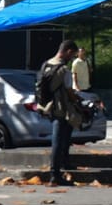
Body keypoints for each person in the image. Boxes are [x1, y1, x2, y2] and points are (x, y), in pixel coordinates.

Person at [36, 39, 84, 187]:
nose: (72, 58)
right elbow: (69, 91)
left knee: (61, 137)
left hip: (47, 106)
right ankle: (55, 174)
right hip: (61, 108)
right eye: (72, 54)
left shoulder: (46, 65)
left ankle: (63, 165)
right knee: (58, 140)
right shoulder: (63, 70)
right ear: (68, 51)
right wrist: (77, 99)